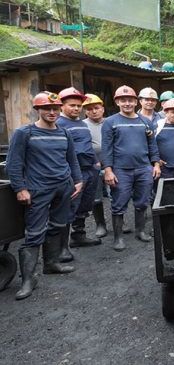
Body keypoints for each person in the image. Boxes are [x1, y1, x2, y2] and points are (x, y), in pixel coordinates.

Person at [7, 92, 83, 300]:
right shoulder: (25, 133)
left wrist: (78, 180)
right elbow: (14, 164)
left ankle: (51, 264)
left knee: (58, 226)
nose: (52, 112)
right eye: (47, 109)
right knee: (34, 233)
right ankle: (28, 279)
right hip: (38, 189)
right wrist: (20, 189)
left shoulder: (64, 133)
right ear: (37, 110)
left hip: (63, 187)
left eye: (55, 109)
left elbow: (72, 159)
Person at [102, 85, 161, 251]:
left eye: (130, 100)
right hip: (121, 169)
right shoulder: (110, 122)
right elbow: (107, 148)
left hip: (143, 168)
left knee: (142, 201)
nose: (127, 103)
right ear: (117, 102)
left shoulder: (145, 121)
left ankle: (140, 231)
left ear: (136, 102)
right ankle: (118, 237)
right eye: (123, 100)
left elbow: (152, 145)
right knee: (119, 202)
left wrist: (155, 163)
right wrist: (108, 170)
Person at [57, 87, 101, 257]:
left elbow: (86, 145)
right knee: (69, 207)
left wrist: (96, 163)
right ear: (62, 106)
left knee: (85, 205)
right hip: (74, 173)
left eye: (78, 105)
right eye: (71, 105)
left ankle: (78, 236)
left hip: (90, 170)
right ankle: (62, 248)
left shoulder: (81, 123)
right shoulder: (59, 124)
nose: (76, 108)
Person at [82, 93, 108, 237]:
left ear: (102, 109)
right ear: (85, 111)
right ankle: (100, 224)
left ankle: (121, 221)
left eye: (96, 108)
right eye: (89, 109)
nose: (94, 111)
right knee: (95, 197)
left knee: (116, 194)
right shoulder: (83, 125)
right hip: (92, 165)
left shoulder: (110, 122)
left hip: (112, 163)